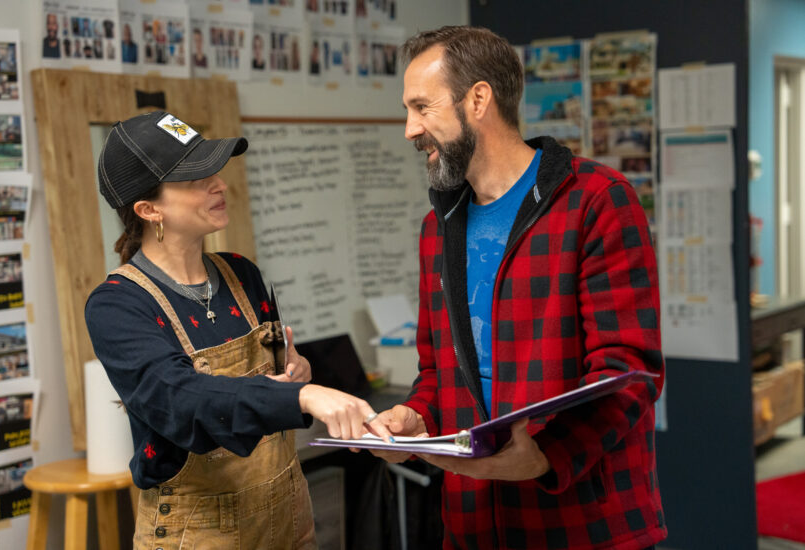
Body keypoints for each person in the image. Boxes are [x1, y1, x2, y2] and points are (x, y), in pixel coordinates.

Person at [371, 26, 667, 549]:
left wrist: (548, 455)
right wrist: (415, 417)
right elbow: (438, 370)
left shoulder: (596, 201)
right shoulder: (437, 227)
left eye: (421, 107)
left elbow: (630, 369)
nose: (410, 129)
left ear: (478, 99)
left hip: (582, 522)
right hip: (472, 524)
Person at [85, 111, 392, 547]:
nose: (219, 184)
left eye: (214, 171)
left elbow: (274, 360)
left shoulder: (241, 274)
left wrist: (294, 368)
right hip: (198, 532)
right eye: (194, 180)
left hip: (289, 520)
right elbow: (182, 400)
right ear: (149, 209)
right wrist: (301, 396)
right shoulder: (117, 306)